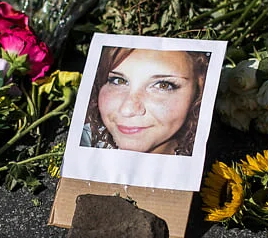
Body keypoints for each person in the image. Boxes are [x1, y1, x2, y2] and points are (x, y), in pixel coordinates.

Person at [81, 47, 210, 156]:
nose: (127, 110)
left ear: (199, 91)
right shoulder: (83, 140)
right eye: (118, 81)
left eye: (163, 85)